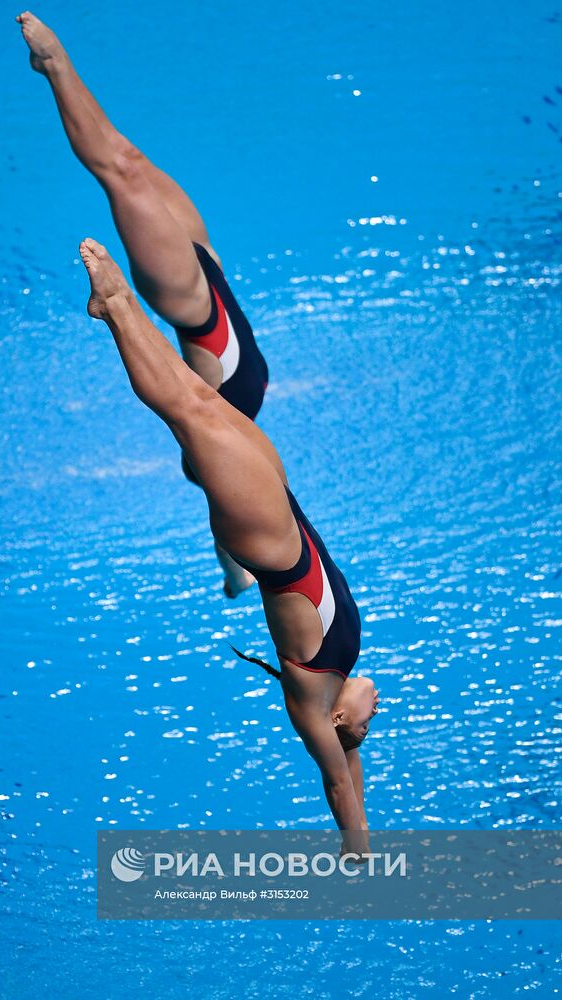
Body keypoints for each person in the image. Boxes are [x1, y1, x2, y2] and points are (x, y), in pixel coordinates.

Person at [77, 236, 379, 854]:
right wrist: (356, 768)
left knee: (188, 410)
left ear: (340, 720)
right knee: (201, 404)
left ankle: (116, 307)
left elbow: (340, 788)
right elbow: (354, 771)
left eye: (369, 724)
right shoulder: (339, 691)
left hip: (269, 543)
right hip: (283, 509)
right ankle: (118, 307)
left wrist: (360, 849)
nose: (379, 714)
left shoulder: (314, 705)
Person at [16, 10, 268, 598]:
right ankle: (54, 66)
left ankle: (52, 66)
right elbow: (227, 520)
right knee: (128, 155)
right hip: (210, 268)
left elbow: (228, 518)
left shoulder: (215, 428)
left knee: (120, 171)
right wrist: (235, 575)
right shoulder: (237, 428)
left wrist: (237, 569)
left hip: (192, 301)